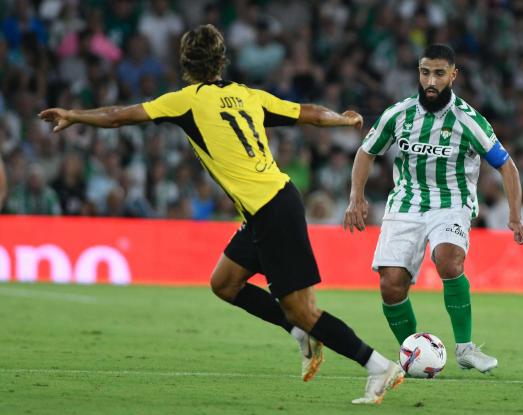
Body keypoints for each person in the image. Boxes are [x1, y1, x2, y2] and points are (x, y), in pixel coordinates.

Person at [39, 24, 403, 405]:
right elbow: (307, 112)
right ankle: (298, 333)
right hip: (268, 205)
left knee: (304, 310)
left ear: (185, 63)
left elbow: (118, 116)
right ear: (221, 60)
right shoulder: (246, 96)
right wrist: (342, 120)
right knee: (225, 283)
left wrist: (75, 115)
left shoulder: (186, 100)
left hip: (272, 209)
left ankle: (377, 365)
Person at [344, 44, 523, 373]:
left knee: (448, 259)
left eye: (439, 74)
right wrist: (356, 195)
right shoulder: (398, 114)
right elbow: (366, 151)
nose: (431, 80)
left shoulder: (469, 121)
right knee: (390, 284)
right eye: (425, 72)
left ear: (453, 76)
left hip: (452, 202)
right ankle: (415, 355)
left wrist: (514, 215)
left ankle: (466, 347)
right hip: (406, 202)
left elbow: (507, 166)